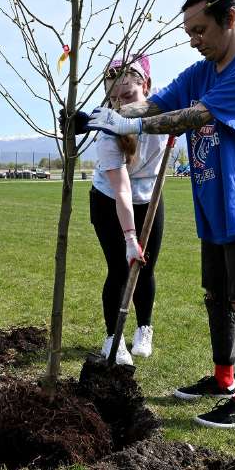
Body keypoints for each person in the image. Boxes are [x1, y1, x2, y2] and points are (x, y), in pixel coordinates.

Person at [79, 0, 235, 429]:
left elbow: (194, 115)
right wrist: (105, 117)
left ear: (230, 18)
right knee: (215, 295)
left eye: (200, 30)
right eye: (188, 32)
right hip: (212, 206)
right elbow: (154, 106)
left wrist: (127, 126)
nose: (193, 41)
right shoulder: (199, 73)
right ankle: (223, 378)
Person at [88, 54, 167, 365]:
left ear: (145, 85)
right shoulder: (108, 129)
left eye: (130, 96)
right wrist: (130, 239)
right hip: (109, 200)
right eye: (116, 98)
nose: (124, 106)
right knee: (120, 269)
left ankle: (144, 329)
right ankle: (113, 339)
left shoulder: (164, 113)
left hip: (150, 198)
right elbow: (121, 189)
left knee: (146, 268)